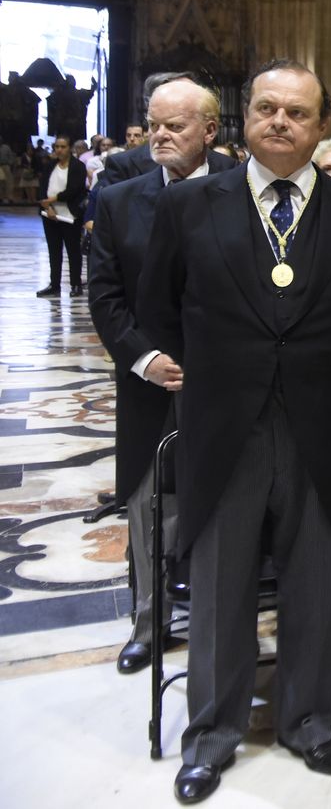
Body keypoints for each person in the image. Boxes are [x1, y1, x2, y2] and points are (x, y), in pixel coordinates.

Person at [139, 59, 331, 804]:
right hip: (223, 427)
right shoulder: (190, 206)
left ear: (322, 127)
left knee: (315, 582)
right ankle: (211, 736)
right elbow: (158, 309)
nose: (280, 122)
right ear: (244, 118)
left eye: (297, 113)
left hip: (318, 428)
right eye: (266, 109)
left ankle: (310, 721)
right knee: (220, 587)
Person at [87, 72, 236, 676]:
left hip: (229, 383)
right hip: (152, 383)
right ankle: (149, 624)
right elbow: (105, 294)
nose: (160, 136)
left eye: (174, 125)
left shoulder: (243, 190)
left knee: (228, 506)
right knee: (149, 508)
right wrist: (144, 358)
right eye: (153, 124)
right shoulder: (122, 200)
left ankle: (221, 621)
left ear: (209, 129)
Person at [36, 134, 88, 297]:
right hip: (49, 214)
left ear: (69, 148)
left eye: (62, 147)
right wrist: (48, 205)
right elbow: (43, 186)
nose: (59, 150)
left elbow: (74, 189)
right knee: (54, 250)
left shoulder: (78, 166)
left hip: (70, 215)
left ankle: (75, 284)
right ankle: (54, 284)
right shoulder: (50, 165)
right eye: (56, 147)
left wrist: (54, 198)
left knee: (73, 251)